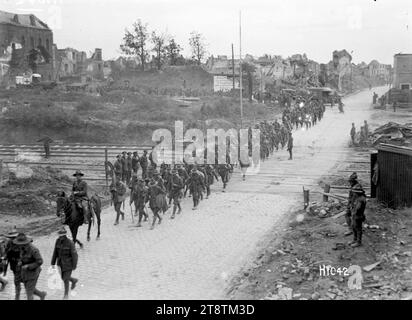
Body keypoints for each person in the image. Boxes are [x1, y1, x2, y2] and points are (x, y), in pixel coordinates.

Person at [13, 233, 47, 300]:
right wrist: (21, 262)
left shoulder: (33, 250)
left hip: (33, 273)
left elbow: (40, 261)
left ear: (24, 243)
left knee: (29, 293)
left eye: (20, 244)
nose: (18, 245)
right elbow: (23, 258)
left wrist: (28, 266)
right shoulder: (22, 248)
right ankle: (41, 294)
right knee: (29, 289)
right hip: (25, 274)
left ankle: (40, 295)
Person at [51, 227, 78, 300]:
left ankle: (66, 295)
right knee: (63, 278)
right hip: (60, 264)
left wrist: (74, 265)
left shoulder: (70, 243)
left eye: (61, 236)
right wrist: (52, 264)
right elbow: (55, 253)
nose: (60, 237)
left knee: (65, 279)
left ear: (64, 235)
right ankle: (73, 280)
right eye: (59, 236)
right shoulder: (57, 241)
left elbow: (74, 255)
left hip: (68, 264)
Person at [2, 228, 21, 299]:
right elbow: (6, 253)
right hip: (13, 263)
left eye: (14, 237)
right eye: (11, 237)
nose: (13, 239)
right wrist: (4, 258)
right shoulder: (9, 243)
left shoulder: (21, 243)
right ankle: (17, 294)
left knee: (19, 279)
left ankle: (18, 295)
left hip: (21, 263)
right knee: (16, 279)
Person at [345, 172, 362, 237]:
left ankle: (354, 231)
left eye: (350, 181)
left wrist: (353, 205)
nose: (349, 182)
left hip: (355, 204)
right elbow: (350, 197)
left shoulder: (357, 187)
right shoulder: (353, 185)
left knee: (355, 218)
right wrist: (349, 204)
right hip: (351, 203)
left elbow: (358, 197)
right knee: (347, 214)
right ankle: (350, 228)